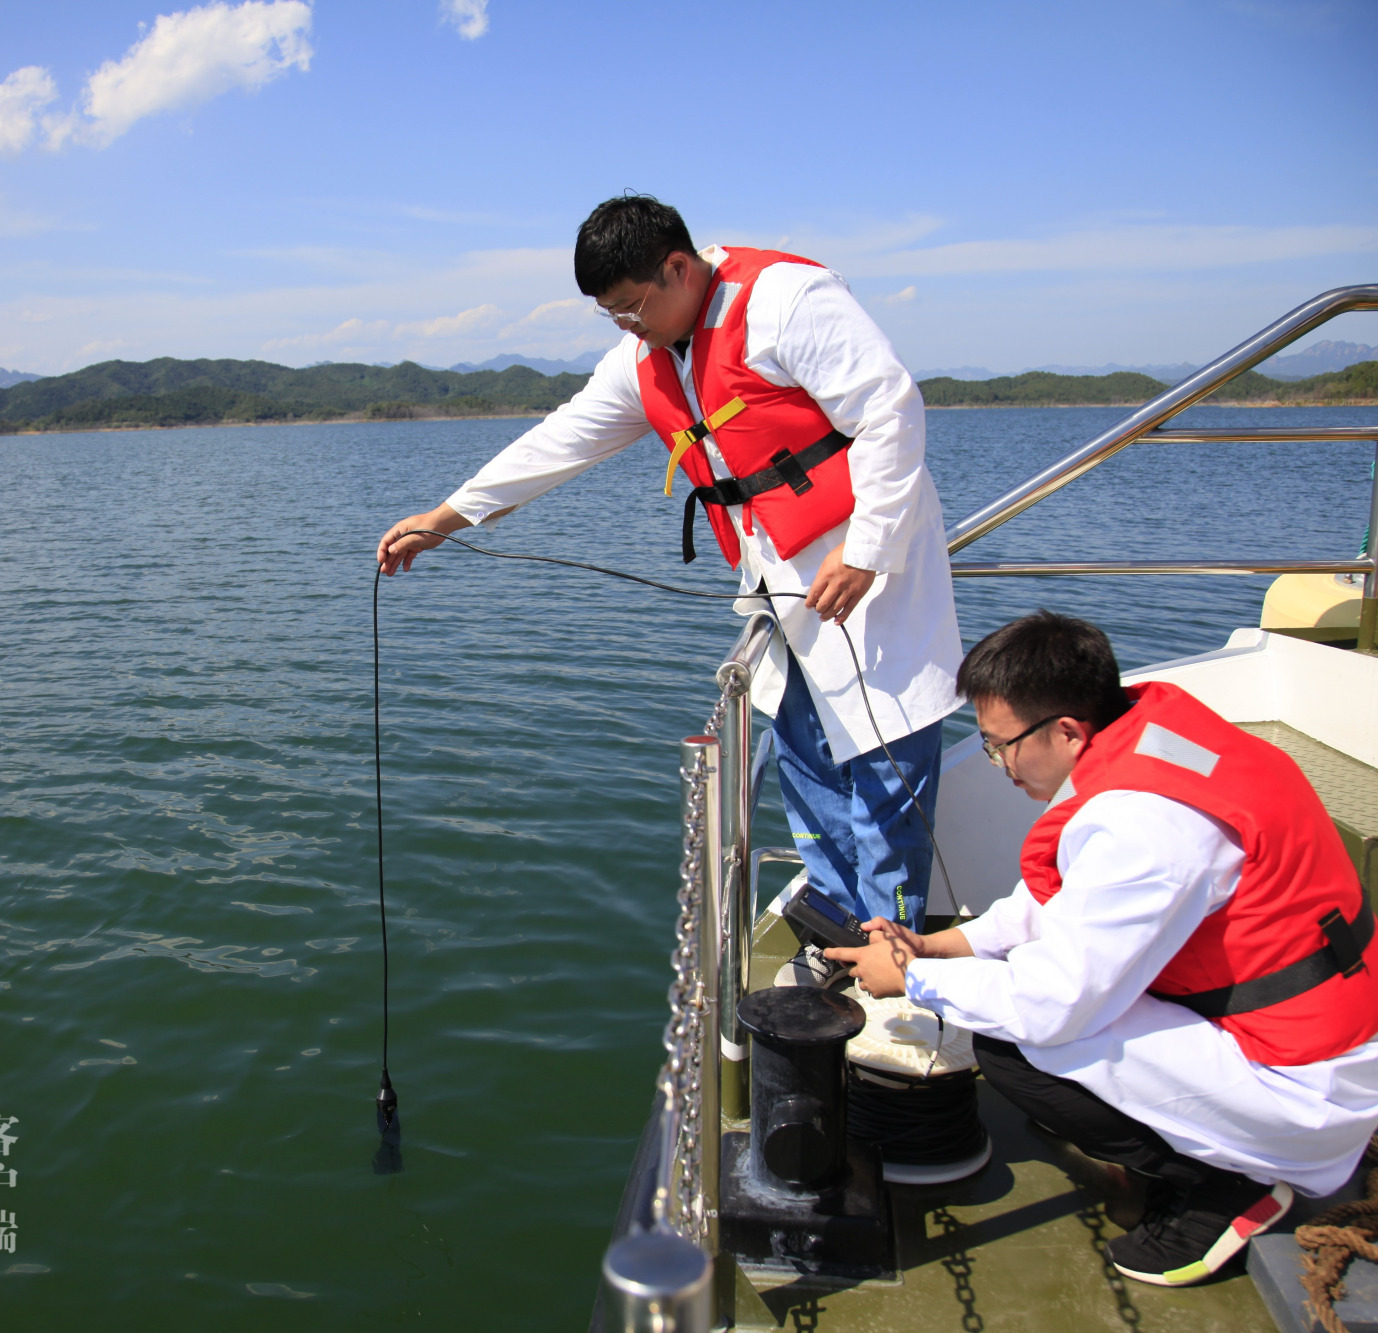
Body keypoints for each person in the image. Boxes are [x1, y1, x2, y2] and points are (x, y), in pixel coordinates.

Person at [375, 195, 963, 929]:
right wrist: (441, 519)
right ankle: (843, 931)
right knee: (806, 756)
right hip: (777, 583)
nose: (628, 326)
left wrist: (869, 547)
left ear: (677, 267)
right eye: (612, 315)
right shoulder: (646, 357)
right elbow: (558, 443)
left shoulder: (786, 301)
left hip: (865, 568)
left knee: (884, 768)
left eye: (632, 307)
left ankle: (896, 963)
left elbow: (889, 407)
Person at [827, 610, 1378, 1287]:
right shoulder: (1151, 741)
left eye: (999, 744)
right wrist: (935, 944)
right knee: (1017, 1002)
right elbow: (1063, 905)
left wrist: (914, 978)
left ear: (1066, 730)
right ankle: (1187, 1143)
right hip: (1304, 1036)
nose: (1000, 763)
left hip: (1304, 1090)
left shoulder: (1145, 827)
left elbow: (1050, 1006)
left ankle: (1224, 1185)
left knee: (1017, 1046)